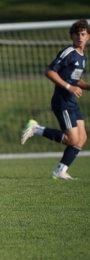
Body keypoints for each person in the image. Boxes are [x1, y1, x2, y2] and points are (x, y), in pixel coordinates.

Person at [21, 19, 90, 179]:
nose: (80, 37)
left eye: (83, 34)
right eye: (76, 35)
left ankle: (60, 170)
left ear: (88, 37)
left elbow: (74, 79)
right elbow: (50, 72)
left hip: (71, 101)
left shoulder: (82, 57)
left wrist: (86, 86)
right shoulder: (68, 53)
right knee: (72, 139)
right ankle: (35, 129)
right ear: (71, 36)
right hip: (62, 101)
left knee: (82, 138)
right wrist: (68, 87)